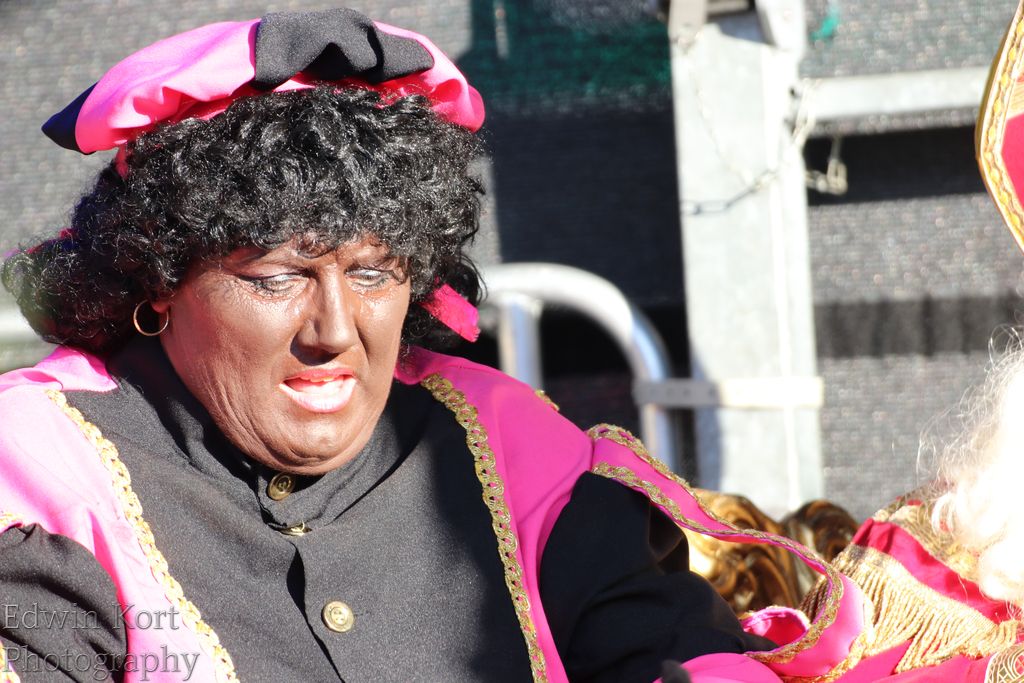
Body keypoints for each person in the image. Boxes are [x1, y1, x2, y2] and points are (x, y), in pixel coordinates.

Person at [0, 7, 847, 682]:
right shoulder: (42, 471)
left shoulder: (501, 437)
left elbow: (670, 643)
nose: (336, 332)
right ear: (157, 277)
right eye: (277, 277)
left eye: (373, 271)